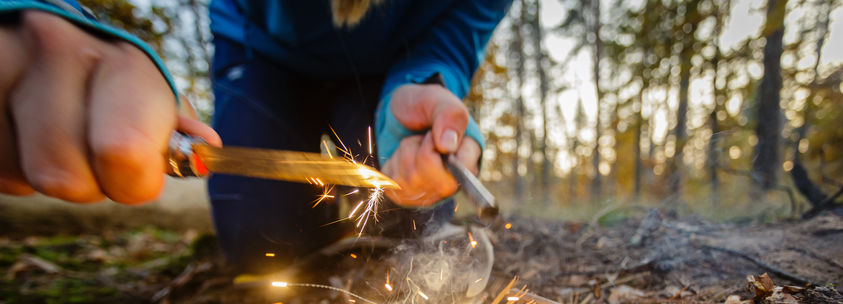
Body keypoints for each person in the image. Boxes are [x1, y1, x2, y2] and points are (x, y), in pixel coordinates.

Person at [0, 0, 511, 272]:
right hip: (262, 54)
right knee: (258, 242)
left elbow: (450, 39)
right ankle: (308, 222)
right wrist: (44, 12)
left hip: (386, 76)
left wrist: (423, 87)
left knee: (413, 219)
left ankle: (344, 224)